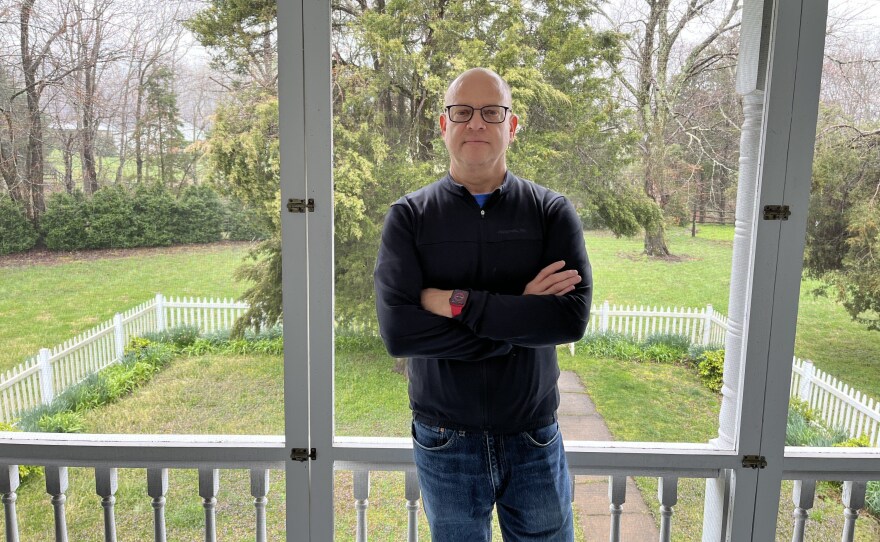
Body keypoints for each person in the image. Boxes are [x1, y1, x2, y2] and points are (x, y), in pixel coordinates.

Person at [374, 67, 592, 541]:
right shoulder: (409, 218)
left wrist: (455, 303)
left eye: (491, 112)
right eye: (463, 111)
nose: (476, 123)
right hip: (444, 439)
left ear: (511, 126)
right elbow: (400, 333)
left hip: (533, 435)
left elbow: (570, 318)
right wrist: (517, 320)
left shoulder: (551, 212)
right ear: (443, 124)